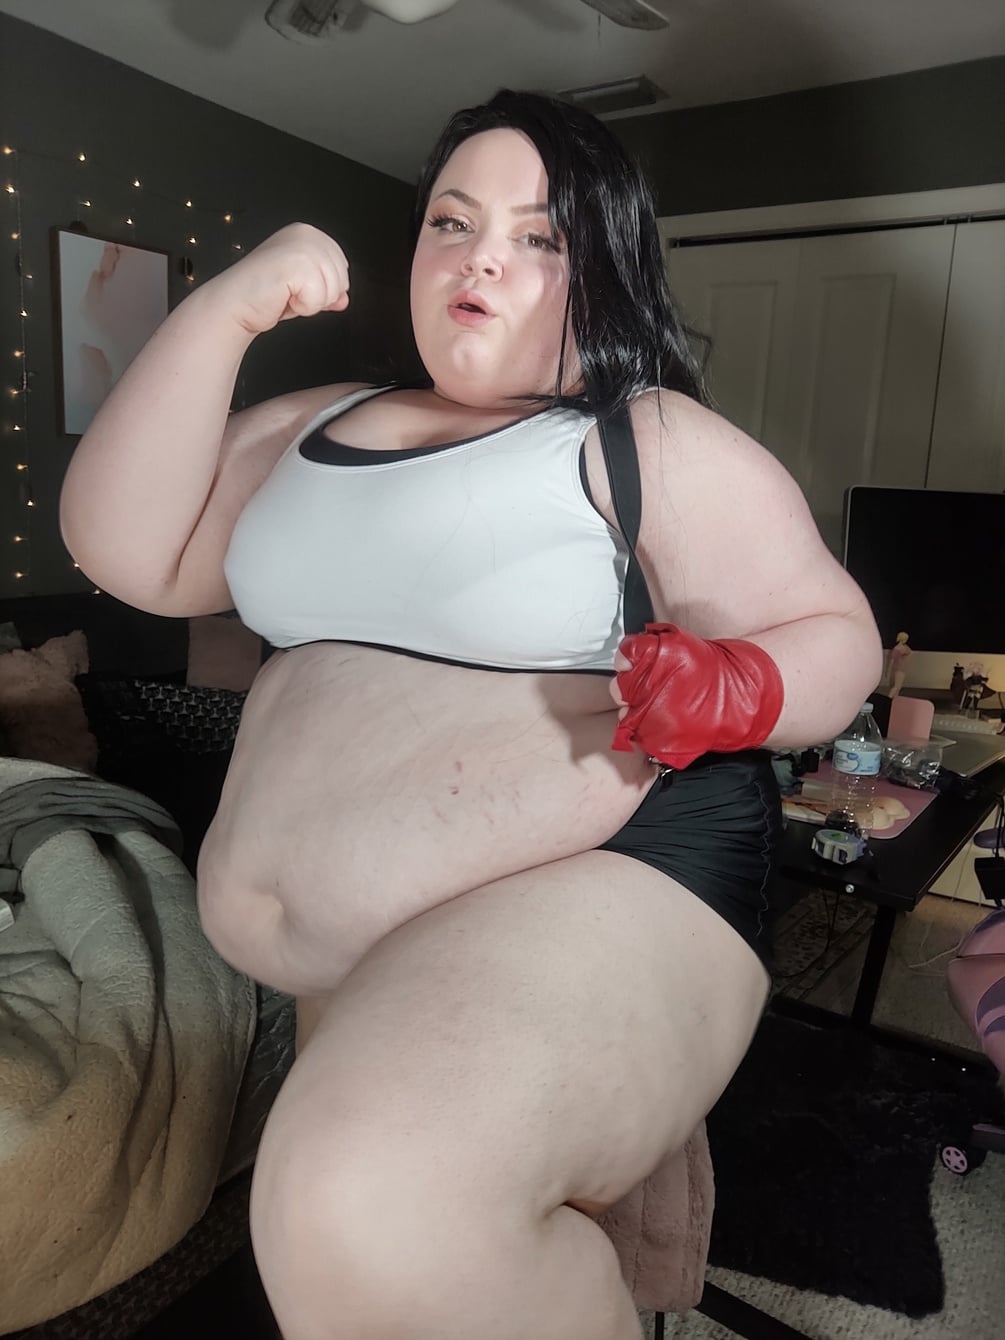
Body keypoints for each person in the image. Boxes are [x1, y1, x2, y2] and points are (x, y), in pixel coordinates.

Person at [60, 90, 881, 1340]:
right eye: (452, 221)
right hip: (364, 928)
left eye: (539, 235)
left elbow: (837, 634)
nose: (480, 256)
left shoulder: (640, 438)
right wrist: (225, 309)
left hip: (620, 860)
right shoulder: (317, 420)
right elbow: (127, 547)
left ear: (605, 269)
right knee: (367, 1288)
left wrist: (741, 684)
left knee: (368, 1201)